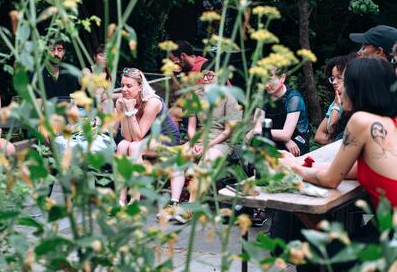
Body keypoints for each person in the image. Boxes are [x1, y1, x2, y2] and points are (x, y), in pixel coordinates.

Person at [283, 57, 397, 208]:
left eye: (345, 83)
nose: (340, 89)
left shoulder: (361, 121)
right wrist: (299, 162)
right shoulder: (390, 121)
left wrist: (291, 167)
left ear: (360, 88)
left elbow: (331, 180)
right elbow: (351, 170)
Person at [160, 70, 242, 224]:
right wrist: (193, 142)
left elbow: (228, 131)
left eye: (211, 74)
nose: (206, 77)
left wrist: (207, 145)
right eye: (204, 74)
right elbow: (191, 127)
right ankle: (174, 202)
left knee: (207, 161)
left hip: (220, 142)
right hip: (199, 139)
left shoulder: (229, 97)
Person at [115, 67, 181, 205]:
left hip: (165, 139)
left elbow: (137, 138)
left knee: (134, 147)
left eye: (129, 86)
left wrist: (130, 112)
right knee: (122, 145)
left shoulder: (152, 102)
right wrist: (127, 109)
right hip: (145, 139)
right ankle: (120, 200)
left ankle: (135, 199)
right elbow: (126, 136)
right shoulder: (121, 102)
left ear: (140, 87)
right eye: (122, 85)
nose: (124, 89)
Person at [248, 67, 310, 156]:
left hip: (296, 139)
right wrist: (285, 140)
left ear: (282, 78)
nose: (266, 85)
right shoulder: (262, 97)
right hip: (273, 137)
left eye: (270, 80)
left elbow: (285, 134)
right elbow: (258, 126)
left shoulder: (294, 98)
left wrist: (286, 138)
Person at [314, 53, 355, 145]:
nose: (334, 82)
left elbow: (331, 134)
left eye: (339, 78)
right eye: (333, 78)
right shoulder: (336, 100)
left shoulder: (354, 102)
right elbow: (319, 136)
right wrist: (336, 105)